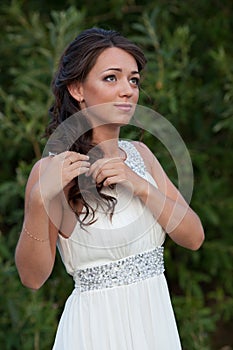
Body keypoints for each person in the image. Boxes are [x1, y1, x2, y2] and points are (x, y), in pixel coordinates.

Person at [15, 27, 205, 349]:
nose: (128, 90)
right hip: (94, 331)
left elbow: (194, 237)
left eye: (133, 80)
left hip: (155, 326)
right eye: (111, 78)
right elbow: (33, 279)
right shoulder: (52, 170)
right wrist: (37, 201)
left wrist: (139, 184)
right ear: (77, 89)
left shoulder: (141, 155)